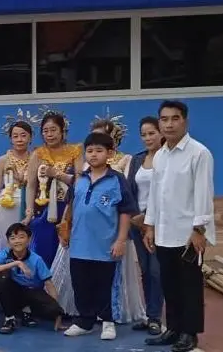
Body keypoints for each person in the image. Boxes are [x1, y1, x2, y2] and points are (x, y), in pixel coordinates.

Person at [143, 100, 214, 352]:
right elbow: (155, 195)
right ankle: (173, 328)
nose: (169, 124)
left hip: (188, 235)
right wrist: (150, 226)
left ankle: (189, 333)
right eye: (164, 119)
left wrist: (199, 229)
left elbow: (204, 193)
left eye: (175, 118)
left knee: (189, 287)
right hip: (164, 232)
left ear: (185, 121)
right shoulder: (161, 155)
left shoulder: (199, 153)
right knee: (169, 284)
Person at [62, 132, 138, 340]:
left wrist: (120, 240)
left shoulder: (117, 180)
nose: (93, 155)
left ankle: (107, 322)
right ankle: (85, 321)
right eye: (89, 151)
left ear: (110, 153)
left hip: (105, 245)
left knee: (105, 285)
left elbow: (125, 211)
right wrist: (65, 228)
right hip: (79, 244)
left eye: (99, 150)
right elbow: (70, 206)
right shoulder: (79, 179)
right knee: (81, 284)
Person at [87, 113, 146, 326]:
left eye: (103, 137)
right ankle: (92, 310)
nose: (96, 144)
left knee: (116, 270)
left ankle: (116, 310)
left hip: (115, 223)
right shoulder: (88, 163)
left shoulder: (125, 160)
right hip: (92, 228)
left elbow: (127, 193)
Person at [25, 110, 81, 267]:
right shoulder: (38, 154)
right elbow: (31, 185)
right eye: (45, 131)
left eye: (53, 130)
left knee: (66, 254)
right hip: (43, 209)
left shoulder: (75, 151)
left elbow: (79, 181)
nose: (49, 134)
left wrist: (56, 174)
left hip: (68, 208)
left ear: (62, 131)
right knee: (43, 251)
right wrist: (29, 212)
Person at [0, 223, 63, 335]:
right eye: (13, 238)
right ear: (8, 242)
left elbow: (49, 284)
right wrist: (17, 263)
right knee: (0, 278)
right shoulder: (4, 254)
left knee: (53, 310)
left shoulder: (37, 259)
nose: (17, 241)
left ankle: (26, 311)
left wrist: (57, 310)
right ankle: (10, 319)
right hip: (14, 291)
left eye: (21, 237)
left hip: (32, 292)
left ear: (29, 240)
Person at [127, 116, 164, 335]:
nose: (148, 138)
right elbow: (129, 190)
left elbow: (166, 193)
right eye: (144, 134)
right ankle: (149, 315)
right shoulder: (137, 159)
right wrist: (135, 217)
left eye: (152, 133)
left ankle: (156, 317)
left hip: (159, 224)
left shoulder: (167, 158)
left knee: (156, 270)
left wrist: (148, 219)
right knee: (144, 270)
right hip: (137, 223)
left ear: (161, 133)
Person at [0, 113, 36, 248]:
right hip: (6, 206)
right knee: (3, 243)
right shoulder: (3, 160)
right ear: (10, 139)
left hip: (28, 206)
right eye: (15, 136)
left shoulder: (36, 159)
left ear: (30, 138)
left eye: (23, 135)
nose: (19, 139)